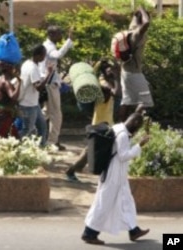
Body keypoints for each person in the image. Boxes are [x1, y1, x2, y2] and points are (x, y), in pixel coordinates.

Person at [81, 112, 150, 245]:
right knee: (103, 204)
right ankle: (89, 233)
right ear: (135, 123)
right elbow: (123, 155)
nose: (138, 129)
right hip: (114, 175)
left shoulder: (118, 127)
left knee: (126, 202)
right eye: (139, 126)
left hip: (117, 174)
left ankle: (134, 230)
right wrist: (139, 145)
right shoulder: (123, 135)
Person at [65, 60, 119, 182]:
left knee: (102, 148)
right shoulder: (103, 83)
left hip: (106, 120)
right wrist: (116, 79)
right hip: (100, 121)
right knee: (90, 149)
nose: (113, 71)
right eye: (110, 69)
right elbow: (116, 92)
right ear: (104, 70)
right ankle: (71, 170)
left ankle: (104, 174)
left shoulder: (106, 81)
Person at [39, 25, 73, 150]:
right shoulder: (49, 47)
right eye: (59, 34)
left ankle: (36, 135)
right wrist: (69, 41)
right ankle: (52, 142)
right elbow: (58, 55)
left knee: (46, 112)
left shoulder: (48, 45)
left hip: (49, 82)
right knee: (56, 114)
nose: (61, 36)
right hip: (50, 84)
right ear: (52, 35)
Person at [119, 6, 154, 121]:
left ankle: (121, 126)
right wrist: (142, 9)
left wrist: (138, 13)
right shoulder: (137, 33)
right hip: (133, 72)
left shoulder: (130, 29)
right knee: (145, 101)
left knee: (127, 100)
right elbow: (146, 23)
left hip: (126, 71)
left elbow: (139, 20)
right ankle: (133, 125)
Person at [19, 44, 53, 147]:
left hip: (33, 104)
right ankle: (22, 152)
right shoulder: (32, 67)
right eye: (43, 55)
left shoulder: (27, 63)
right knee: (27, 130)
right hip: (28, 105)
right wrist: (49, 74)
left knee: (42, 127)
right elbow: (38, 87)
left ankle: (41, 148)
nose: (44, 57)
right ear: (38, 55)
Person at [0, 61, 21, 144]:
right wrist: (19, 83)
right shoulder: (6, 82)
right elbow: (13, 97)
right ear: (10, 69)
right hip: (4, 114)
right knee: (6, 138)